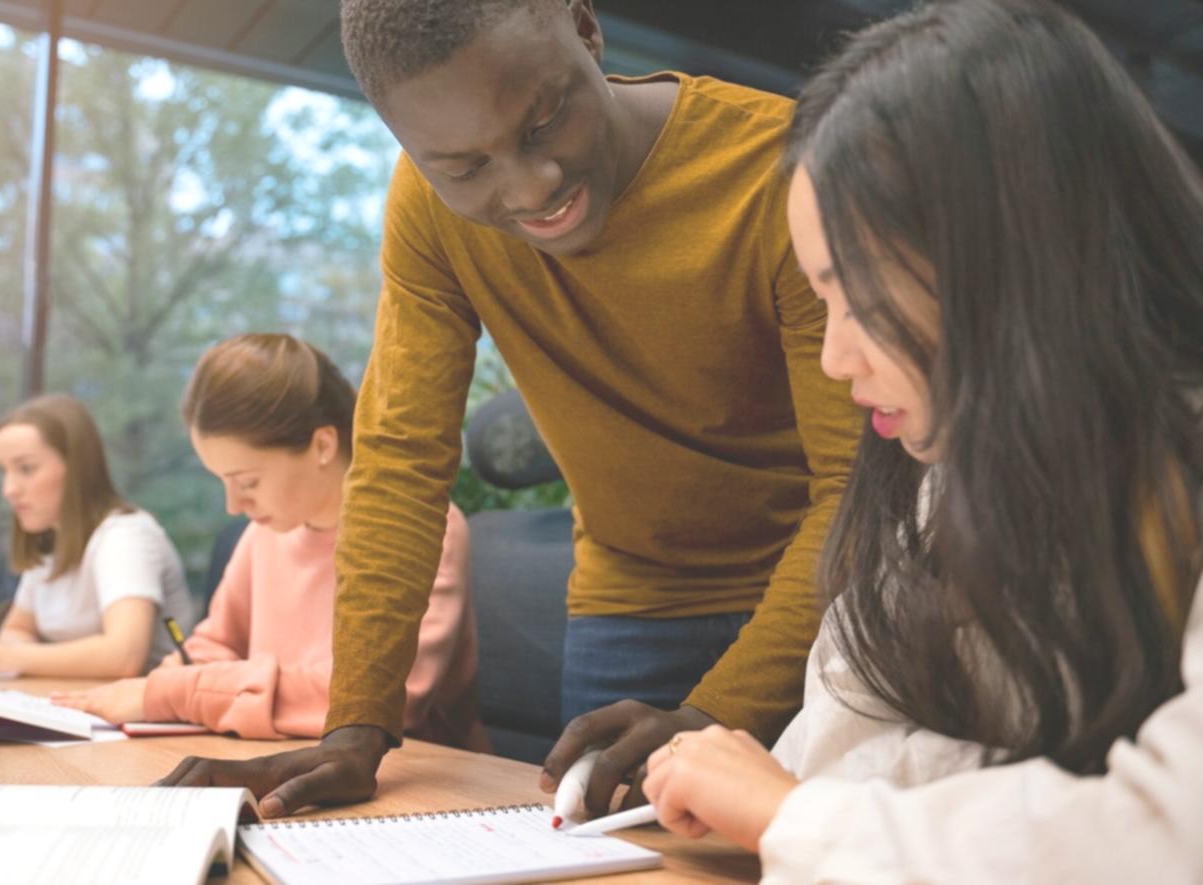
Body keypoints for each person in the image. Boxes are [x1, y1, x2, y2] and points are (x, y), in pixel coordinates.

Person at [154, 0, 862, 818]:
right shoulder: (425, 209)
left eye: (544, 122)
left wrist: (716, 713)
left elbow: (853, 488)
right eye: (463, 168)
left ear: (584, 28)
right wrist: (356, 727)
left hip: (821, 596)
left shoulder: (781, 166)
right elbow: (397, 462)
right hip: (631, 600)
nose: (532, 188)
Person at [641, 1, 1203, 880]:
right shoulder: (940, 480)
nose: (832, 358)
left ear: (1013, 257)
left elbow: (1165, 835)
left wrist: (816, 816)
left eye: (856, 295)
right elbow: (820, 767)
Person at [53, 335, 488, 749]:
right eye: (223, 482)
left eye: (248, 481)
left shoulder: (420, 528)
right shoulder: (266, 533)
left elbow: (372, 700)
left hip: (408, 782)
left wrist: (178, 692)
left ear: (322, 445)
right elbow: (216, 645)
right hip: (275, 753)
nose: (233, 505)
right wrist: (189, 671)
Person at [0, 393, 194, 677]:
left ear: (77, 468)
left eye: (26, 468)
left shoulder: (126, 536)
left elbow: (124, 656)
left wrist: (12, 656)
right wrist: (19, 653)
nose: (9, 489)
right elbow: (15, 629)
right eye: (4, 471)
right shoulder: (51, 544)